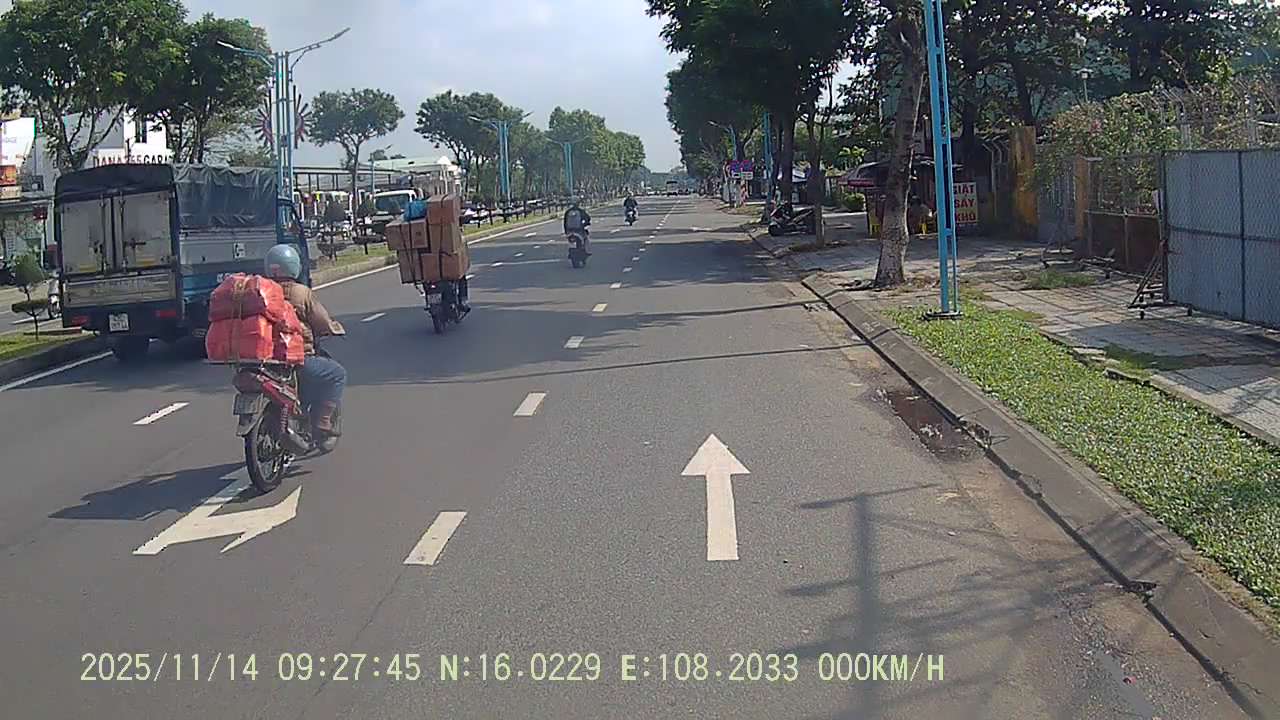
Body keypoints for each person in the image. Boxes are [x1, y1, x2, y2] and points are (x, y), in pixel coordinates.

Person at [264, 243, 347, 435]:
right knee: (337, 374)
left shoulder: (261, 291)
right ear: (294, 266)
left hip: (265, 361)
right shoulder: (301, 293)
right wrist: (334, 329)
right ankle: (323, 421)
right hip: (297, 358)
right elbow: (321, 321)